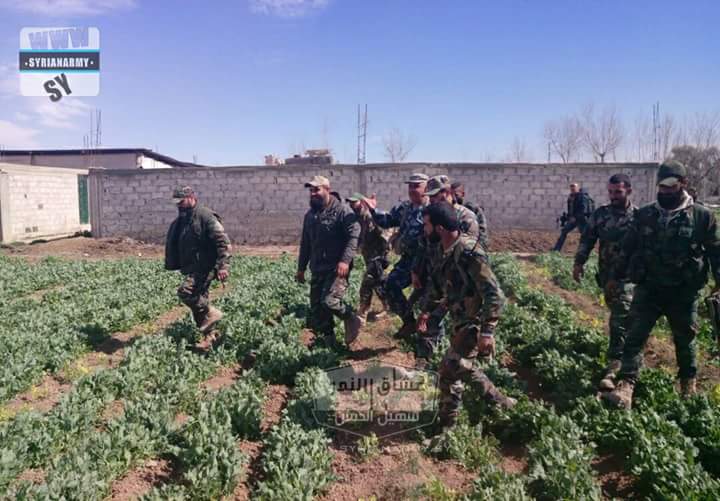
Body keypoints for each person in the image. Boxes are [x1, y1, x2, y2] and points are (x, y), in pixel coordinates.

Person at [603, 161, 720, 410]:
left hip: (683, 292)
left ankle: (688, 387)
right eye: (661, 187)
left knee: (685, 340)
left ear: (683, 184)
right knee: (634, 336)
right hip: (649, 288)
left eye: (670, 187)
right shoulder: (645, 214)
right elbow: (628, 247)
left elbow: (715, 252)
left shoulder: (702, 216)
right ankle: (626, 385)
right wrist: (615, 277)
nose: (665, 192)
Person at [419, 202, 516, 432]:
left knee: (450, 367)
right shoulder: (444, 249)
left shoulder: (469, 252)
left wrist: (487, 331)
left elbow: (494, 293)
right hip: (459, 320)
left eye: (427, 225)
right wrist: (426, 311)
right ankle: (491, 407)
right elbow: (439, 285)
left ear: (440, 228)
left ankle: (453, 423)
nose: (425, 230)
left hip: (473, 323)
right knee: (454, 371)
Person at [410, 175, 484, 367]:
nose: (433, 198)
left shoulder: (466, 217)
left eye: (437, 194)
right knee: (428, 316)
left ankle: (467, 364)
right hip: (437, 277)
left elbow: (470, 252)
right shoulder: (431, 215)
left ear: (448, 192)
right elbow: (424, 245)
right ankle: (424, 359)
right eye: (431, 195)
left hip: (460, 283)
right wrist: (417, 270)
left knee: (461, 326)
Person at [573, 174, 637, 391]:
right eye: (610, 192)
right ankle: (631, 356)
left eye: (617, 192)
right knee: (620, 317)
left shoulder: (639, 216)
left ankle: (615, 366)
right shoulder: (601, 214)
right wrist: (579, 263)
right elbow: (588, 238)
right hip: (608, 277)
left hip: (630, 279)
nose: (613, 196)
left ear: (628, 191)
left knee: (619, 319)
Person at [297, 175, 362, 348]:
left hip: (336, 268)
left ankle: (351, 317)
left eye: (317, 189)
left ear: (327, 189)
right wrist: (301, 268)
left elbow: (353, 237)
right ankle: (329, 343)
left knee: (330, 301)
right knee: (317, 309)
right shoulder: (310, 216)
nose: (313, 194)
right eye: (311, 191)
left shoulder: (342, 211)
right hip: (318, 268)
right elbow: (305, 244)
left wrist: (345, 261)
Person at [361, 173, 429, 339]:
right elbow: (387, 220)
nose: (412, 189)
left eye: (416, 186)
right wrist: (372, 209)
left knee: (429, 301)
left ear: (426, 189)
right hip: (409, 260)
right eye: (410, 186)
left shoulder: (432, 209)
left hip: (428, 261)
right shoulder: (405, 208)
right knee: (390, 285)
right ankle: (408, 322)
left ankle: (430, 342)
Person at [165, 186, 230, 337]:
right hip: (192, 266)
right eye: (177, 202)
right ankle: (210, 335)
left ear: (191, 197)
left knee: (186, 292)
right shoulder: (183, 218)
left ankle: (211, 312)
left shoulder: (205, 216)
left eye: (181, 201)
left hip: (205, 266)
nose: (178, 205)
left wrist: (223, 266)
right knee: (198, 301)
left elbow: (223, 242)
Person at [346, 192, 391, 323]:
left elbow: (386, 231)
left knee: (367, 282)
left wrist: (384, 253)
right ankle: (387, 306)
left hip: (377, 256)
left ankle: (362, 312)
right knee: (378, 282)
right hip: (368, 255)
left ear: (361, 202)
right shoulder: (355, 217)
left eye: (354, 202)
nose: (352, 204)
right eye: (350, 202)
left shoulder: (370, 216)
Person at [553, 183, 594, 252]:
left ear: (578, 188)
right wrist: (567, 217)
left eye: (574, 188)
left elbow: (583, 210)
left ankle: (586, 251)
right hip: (574, 220)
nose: (572, 190)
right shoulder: (571, 197)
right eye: (571, 188)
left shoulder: (582, 197)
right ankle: (556, 249)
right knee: (564, 231)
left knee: (584, 236)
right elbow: (571, 209)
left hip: (582, 220)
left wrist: (575, 217)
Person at [451, 181, 490, 249]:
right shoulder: (450, 210)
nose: (453, 198)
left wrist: (478, 249)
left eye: (456, 195)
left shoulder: (473, 209)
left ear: (463, 194)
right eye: (451, 195)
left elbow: (482, 232)